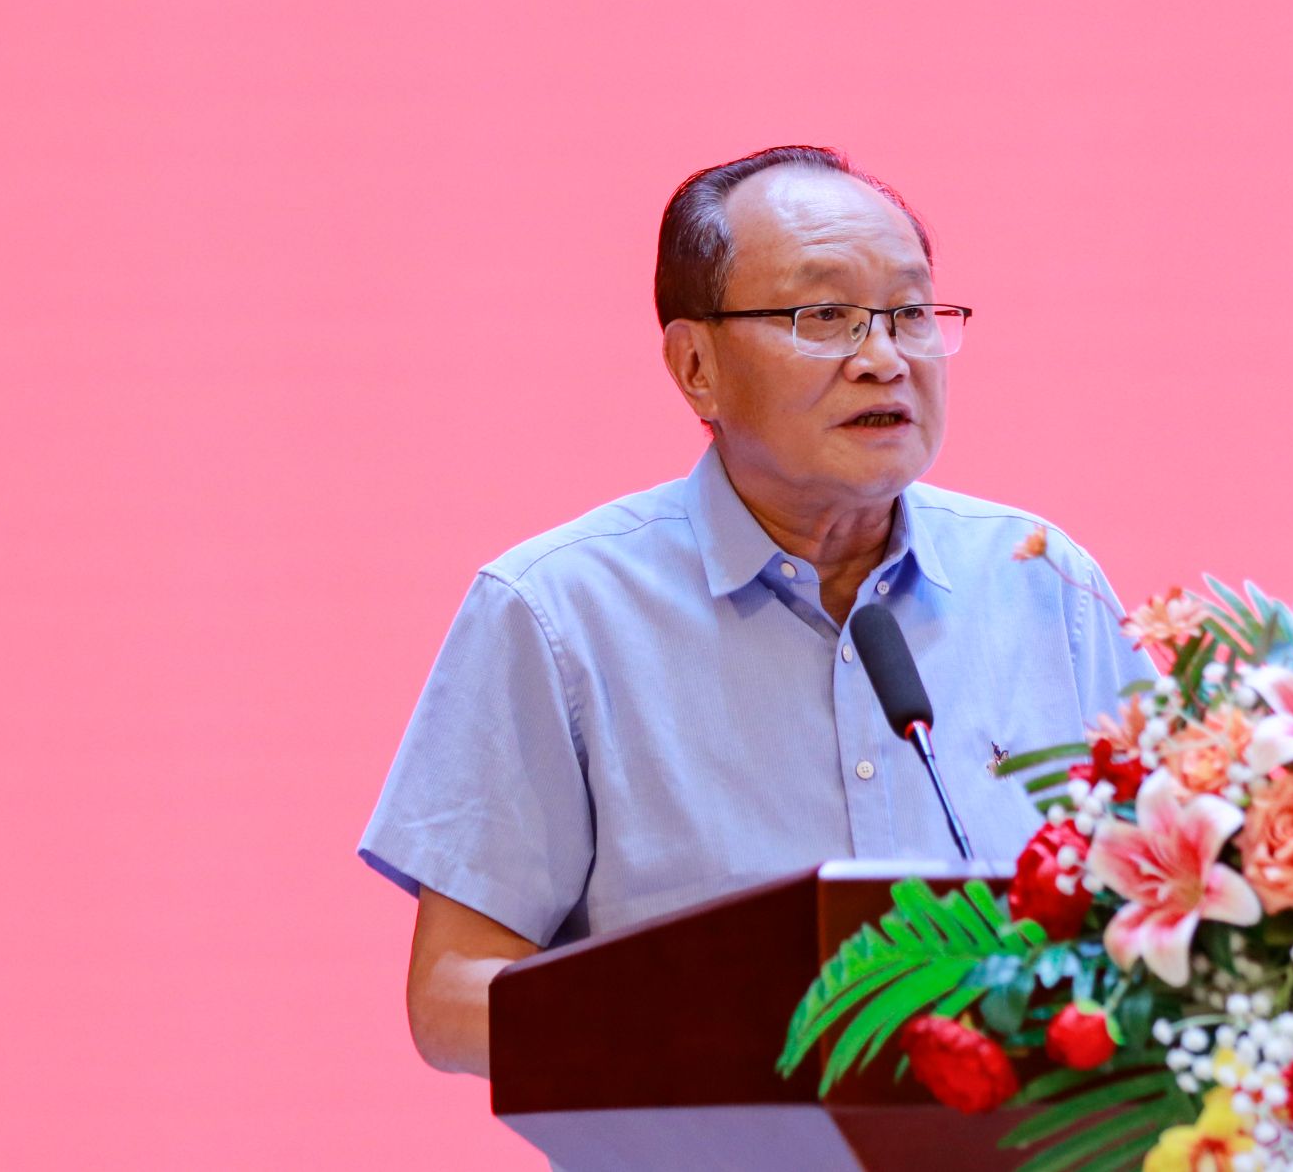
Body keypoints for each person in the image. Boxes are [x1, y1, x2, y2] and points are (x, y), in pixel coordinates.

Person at [358, 145, 1154, 1077]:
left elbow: (1179, 912)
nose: (884, 359)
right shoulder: (557, 614)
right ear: (696, 365)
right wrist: (709, 1030)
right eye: (824, 317)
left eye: (909, 313)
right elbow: (452, 997)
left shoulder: (1044, 583)